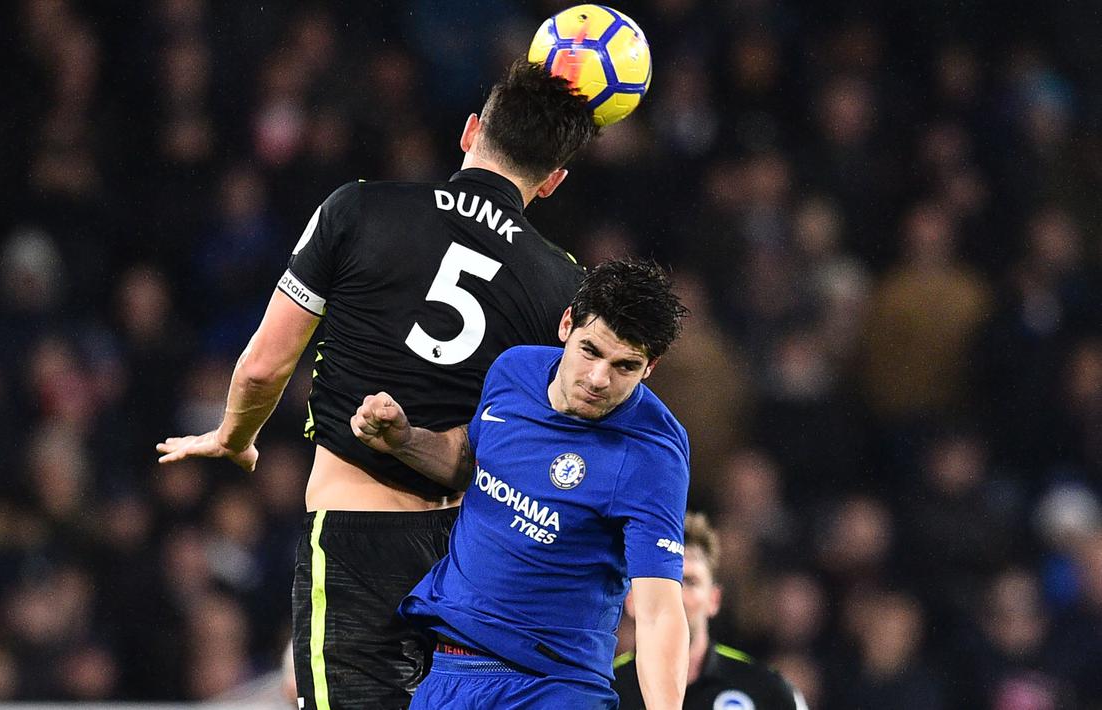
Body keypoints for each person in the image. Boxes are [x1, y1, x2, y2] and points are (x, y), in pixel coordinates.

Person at [155, 58, 598, 709]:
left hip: (357, 542)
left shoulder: (359, 207)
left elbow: (263, 365)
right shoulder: (562, 285)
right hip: (473, 563)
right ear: (553, 181)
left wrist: (234, 435)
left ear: (470, 130)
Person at [351, 259, 692, 709]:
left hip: (553, 687)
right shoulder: (513, 372)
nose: (598, 379)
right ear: (567, 324)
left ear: (650, 367)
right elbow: (475, 465)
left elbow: (658, 610)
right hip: (450, 672)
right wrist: (404, 441)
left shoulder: (653, 453)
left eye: (625, 365)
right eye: (590, 350)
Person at [613, 513, 807, 710]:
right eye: (662, 583)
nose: (675, 597)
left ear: (713, 599)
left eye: (689, 582)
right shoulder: (603, 691)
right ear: (630, 599)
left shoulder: (766, 691)